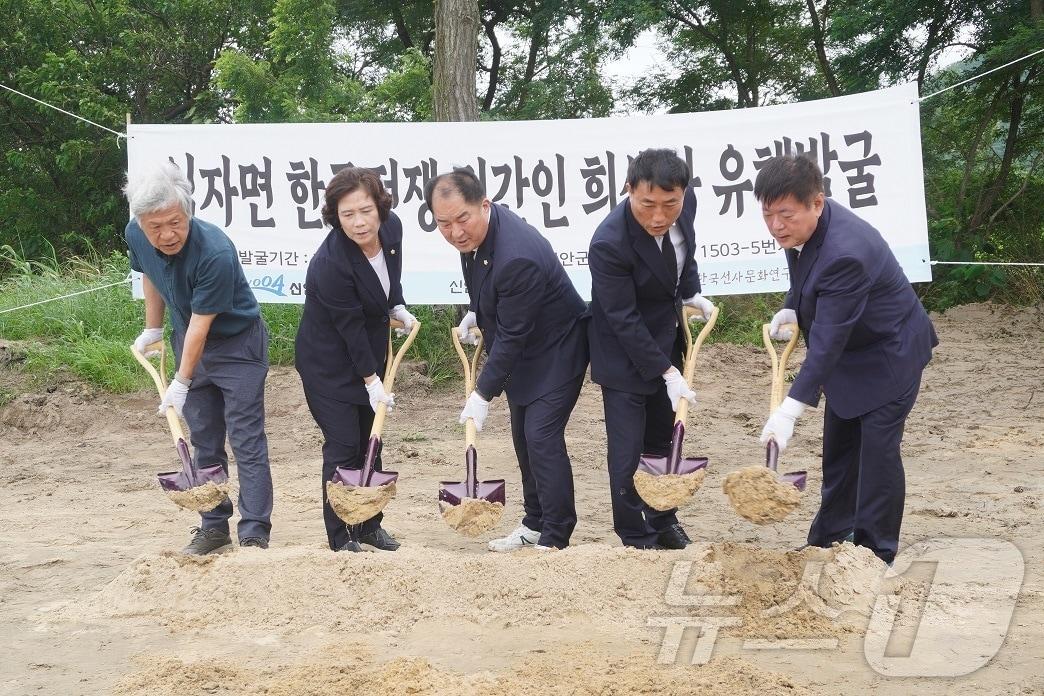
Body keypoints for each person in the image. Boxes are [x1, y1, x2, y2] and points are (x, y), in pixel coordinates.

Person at [755, 154, 937, 565]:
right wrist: (792, 307)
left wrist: (789, 409)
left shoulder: (845, 253)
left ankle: (876, 554)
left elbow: (827, 345)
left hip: (889, 352)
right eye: (768, 215)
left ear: (816, 203)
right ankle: (828, 542)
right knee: (840, 452)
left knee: (876, 455)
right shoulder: (803, 228)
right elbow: (804, 272)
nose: (776, 226)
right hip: (850, 354)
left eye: (785, 215)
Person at [425, 169, 588, 551]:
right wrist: (475, 312)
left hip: (558, 349)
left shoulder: (518, 256)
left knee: (541, 438)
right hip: (524, 350)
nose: (455, 232)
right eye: (443, 224)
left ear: (484, 205)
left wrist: (482, 395)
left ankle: (556, 535)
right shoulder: (478, 239)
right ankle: (534, 522)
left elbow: (513, 336)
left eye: (462, 219)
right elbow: (487, 287)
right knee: (522, 438)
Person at [125, 162, 273, 555]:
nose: (166, 234)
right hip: (185, 339)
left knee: (246, 438)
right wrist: (154, 329)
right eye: (155, 227)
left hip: (237, 345)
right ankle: (213, 525)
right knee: (204, 441)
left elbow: (201, 327)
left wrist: (181, 381)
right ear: (140, 222)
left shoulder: (215, 251)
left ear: (188, 211)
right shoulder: (136, 234)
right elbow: (151, 275)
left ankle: (255, 530)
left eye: (175, 222)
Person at [587, 148, 714, 550]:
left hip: (665, 339)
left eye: (669, 204)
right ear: (628, 191)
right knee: (627, 453)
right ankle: (634, 534)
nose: (659, 217)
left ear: (682, 194)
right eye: (647, 205)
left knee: (663, 440)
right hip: (622, 354)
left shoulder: (683, 204)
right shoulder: (609, 243)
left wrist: (691, 292)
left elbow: (684, 251)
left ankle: (663, 520)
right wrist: (667, 373)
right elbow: (622, 318)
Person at [295, 167, 415, 553]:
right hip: (328, 365)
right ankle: (341, 536)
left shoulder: (391, 228)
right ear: (335, 216)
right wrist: (372, 382)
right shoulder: (330, 264)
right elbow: (348, 329)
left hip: (368, 352)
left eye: (365, 210)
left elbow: (389, 273)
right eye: (348, 215)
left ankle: (368, 525)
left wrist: (396, 302)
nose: (359, 222)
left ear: (379, 206)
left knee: (372, 444)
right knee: (345, 444)